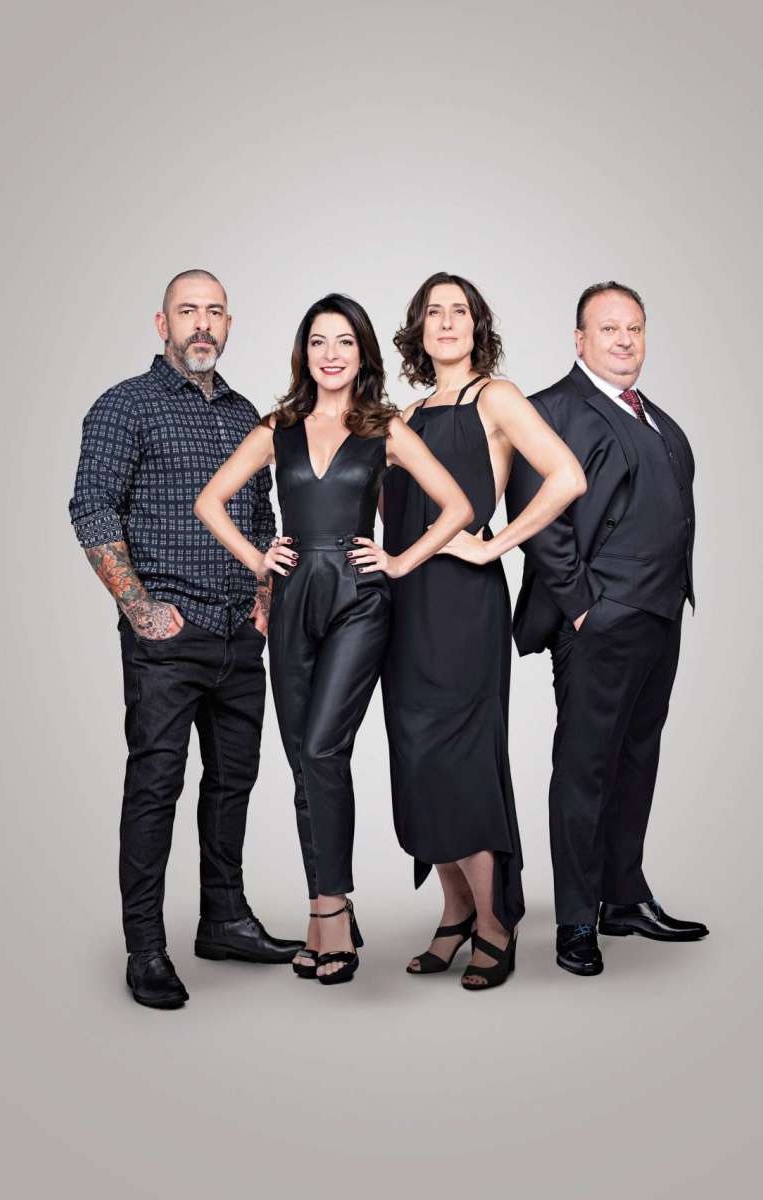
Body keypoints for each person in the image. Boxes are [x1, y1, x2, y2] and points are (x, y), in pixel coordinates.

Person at [194, 293, 472, 985]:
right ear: (304, 353)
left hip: (358, 601)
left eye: (344, 341)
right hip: (293, 601)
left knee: (322, 748)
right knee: (303, 762)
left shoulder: (383, 428)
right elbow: (210, 501)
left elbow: (458, 505)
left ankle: (332, 911)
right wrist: (258, 558)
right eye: (318, 341)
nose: (330, 354)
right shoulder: (278, 426)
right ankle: (327, 919)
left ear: (362, 353)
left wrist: (400, 561)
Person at [68, 269, 303, 1010]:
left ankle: (224, 921)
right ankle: (145, 947)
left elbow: (261, 519)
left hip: (239, 634)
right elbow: (92, 508)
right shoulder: (124, 405)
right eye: (187, 311)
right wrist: (138, 607)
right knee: (156, 786)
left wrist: (263, 600)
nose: (202, 324)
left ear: (228, 324)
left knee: (234, 781)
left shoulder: (245, 415)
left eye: (214, 312)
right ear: (161, 323)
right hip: (168, 639)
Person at [381, 272, 586, 990]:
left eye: (459, 311)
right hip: (404, 603)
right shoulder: (403, 415)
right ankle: (454, 911)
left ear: (477, 327)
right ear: (417, 327)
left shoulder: (494, 397)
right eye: (433, 312)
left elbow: (566, 476)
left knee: (463, 759)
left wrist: (493, 544)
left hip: (464, 604)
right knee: (414, 758)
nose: (446, 322)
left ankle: (494, 923)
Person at [506, 281, 709, 978]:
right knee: (585, 767)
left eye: (634, 329)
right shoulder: (550, 410)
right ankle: (575, 917)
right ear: (579, 339)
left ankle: (623, 896)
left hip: (659, 614)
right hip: (600, 619)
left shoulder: (658, 420)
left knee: (637, 758)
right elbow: (538, 518)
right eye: (609, 328)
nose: (624, 340)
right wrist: (582, 605)